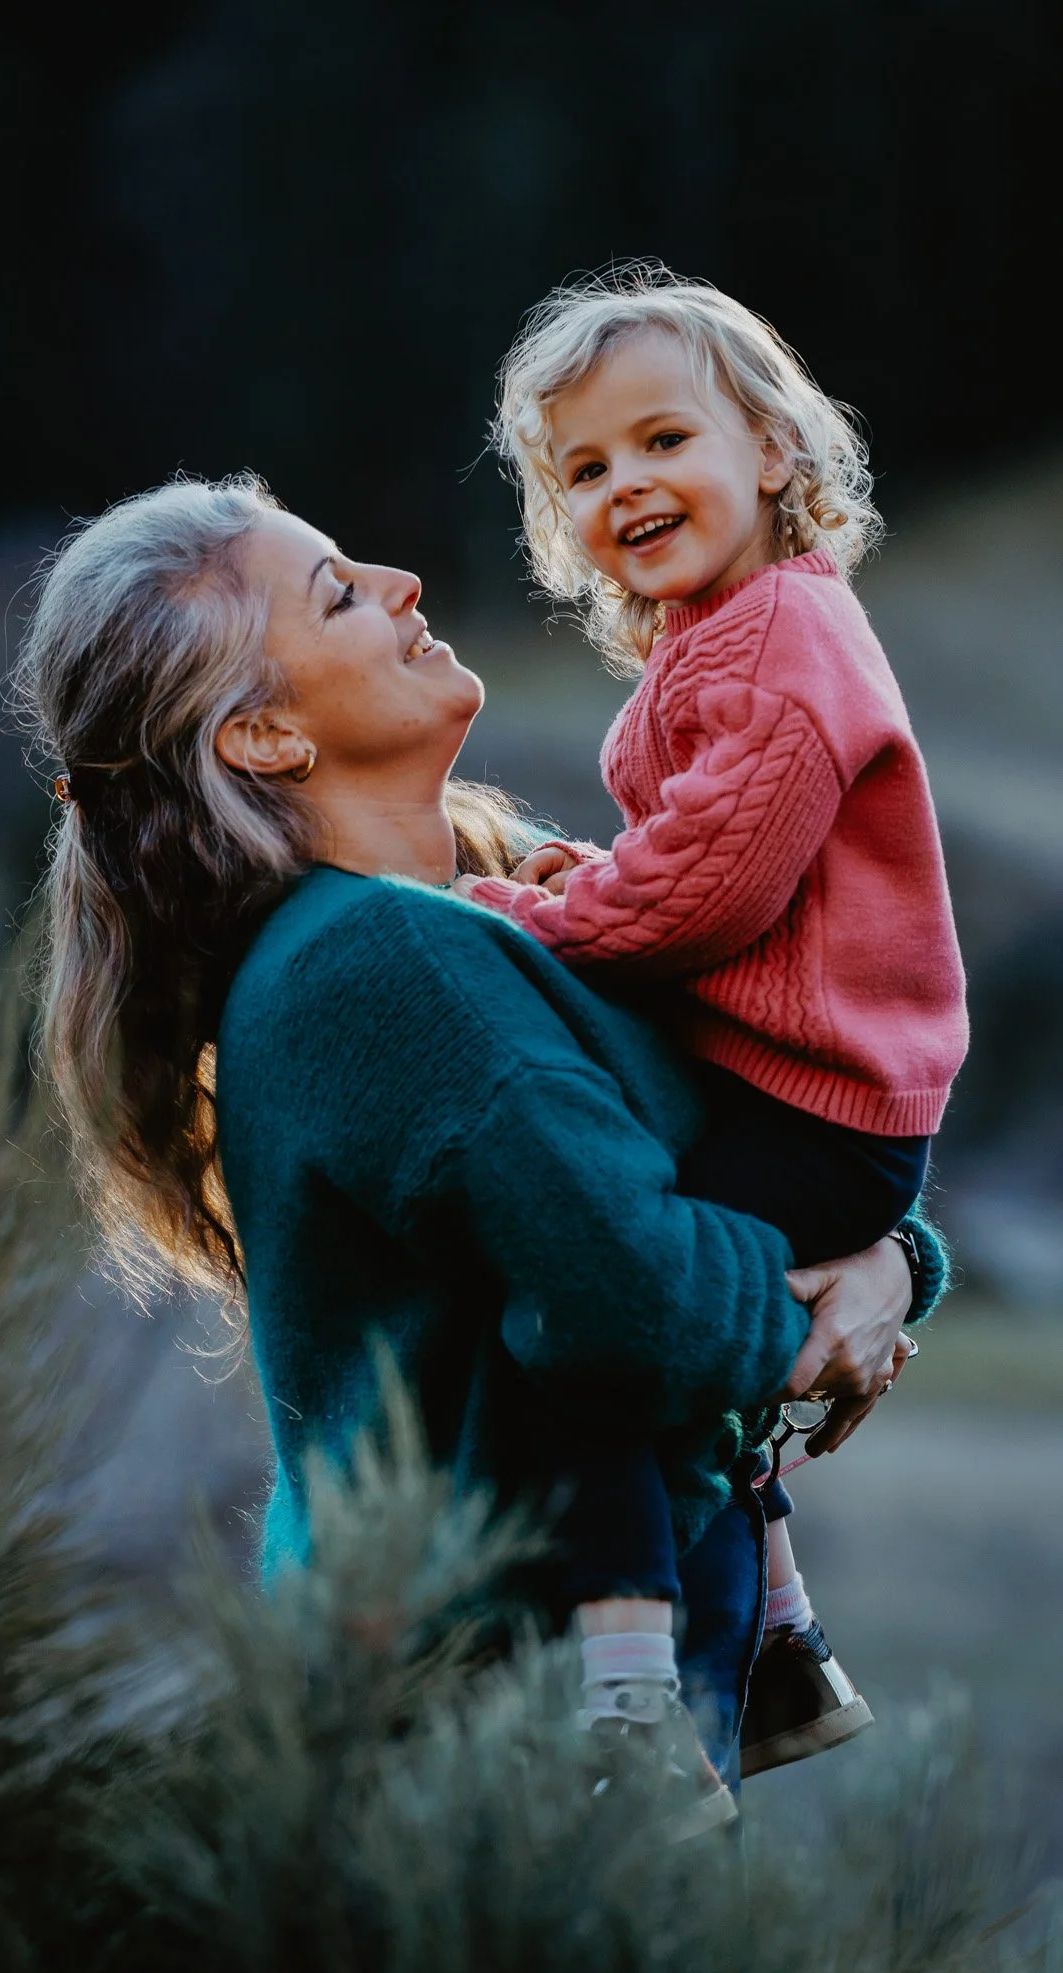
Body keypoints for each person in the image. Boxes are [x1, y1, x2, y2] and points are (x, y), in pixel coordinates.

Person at [14, 475, 942, 1836]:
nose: (402, 584)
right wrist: (840, 1289)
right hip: (489, 1745)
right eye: (337, 590)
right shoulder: (388, 967)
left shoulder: (487, 926)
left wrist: (893, 1266)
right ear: (264, 735)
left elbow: (748, 1155)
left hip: (539, 1715)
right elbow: (642, 1304)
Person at [461, 270, 968, 1779]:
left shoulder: (779, 646)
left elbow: (707, 898)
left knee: (596, 1320)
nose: (628, 486)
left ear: (777, 453)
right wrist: (587, 877)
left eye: (663, 439)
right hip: (809, 1097)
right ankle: (780, 1637)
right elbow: (696, 857)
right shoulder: (739, 632)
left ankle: (631, 1685)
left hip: (815, 1107)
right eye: (587, 469)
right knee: (657, 1325)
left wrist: (526, 920)